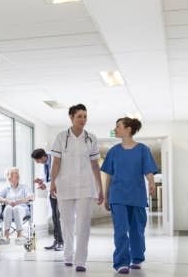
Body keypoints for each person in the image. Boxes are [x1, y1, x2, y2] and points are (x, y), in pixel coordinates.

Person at [49, 104, 104, 272]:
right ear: (71, 117)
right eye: (80, 116)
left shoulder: (91, 138)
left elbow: (95, 165)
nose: (83, 120)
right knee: (66, 223)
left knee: (83, 224)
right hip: (64, 185)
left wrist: (99, 187)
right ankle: (68, 255)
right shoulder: (61, 137)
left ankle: (80, 260)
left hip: (86, 186)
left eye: (85, 116)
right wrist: (52, 183)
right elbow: (56, 162)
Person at [101, 117, 158, 274]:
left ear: (128, 129)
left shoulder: (143, 150)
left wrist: (152, 182)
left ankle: (137, 258)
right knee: (120, 229)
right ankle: (121, 262)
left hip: (137, 195)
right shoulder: (113, 151)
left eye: (118, 126)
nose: (115, 129)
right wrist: (106, 196)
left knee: (137, 229)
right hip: (117, 196)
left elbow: (148, 170)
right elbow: (109, 176)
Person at [32, 148, 63, 251]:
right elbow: (48, 178)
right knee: (54, 217)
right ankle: (57, 240)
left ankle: (61, 242)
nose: (37, 163)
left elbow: (59, 177)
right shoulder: (45, 164)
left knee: (59, 217)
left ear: (43, 157)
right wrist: (41, 181)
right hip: (52, 192)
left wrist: (45, 184)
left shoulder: (56, 159)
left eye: (37, 160)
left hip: (61, 191)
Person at [0, 167, 34, 245]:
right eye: (15, 173)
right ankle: (6, 236)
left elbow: (32, 197)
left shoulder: (24, 187)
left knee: (16, 208)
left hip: (22, 210)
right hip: (8, 212)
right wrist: (6, 201)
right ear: (9, 177)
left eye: (17, 173)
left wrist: (18, 202)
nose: (18, 175)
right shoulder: (6, 189)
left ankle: (20, 235)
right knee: (8, 207)